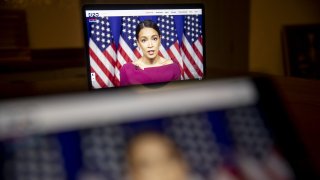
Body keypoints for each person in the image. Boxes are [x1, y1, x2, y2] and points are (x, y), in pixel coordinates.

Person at [120, 20, 181, 86]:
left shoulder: (173, 67)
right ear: (138, 43)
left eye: (154, 39)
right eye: (144, 40)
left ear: (159, 40)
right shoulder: (127, 70)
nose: (150, 45)